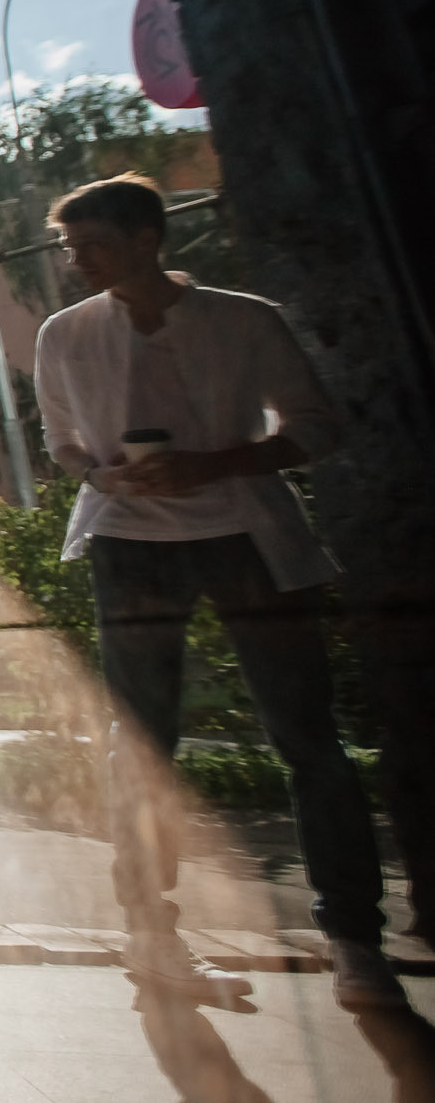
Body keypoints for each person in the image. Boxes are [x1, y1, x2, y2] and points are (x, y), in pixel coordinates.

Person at [36, 174, 403, 1011]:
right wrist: (103, 474)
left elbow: (317, 424)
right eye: (71, 247)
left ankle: (354, 938)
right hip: (129, 542)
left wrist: (215, 463)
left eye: (90, 244)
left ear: (144, 240)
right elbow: (60, 441)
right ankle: (151, 935)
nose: (76, 261)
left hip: (247, 535)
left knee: (308, 738)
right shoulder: (64, 334)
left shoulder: (243, 319)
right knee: (139, 741)